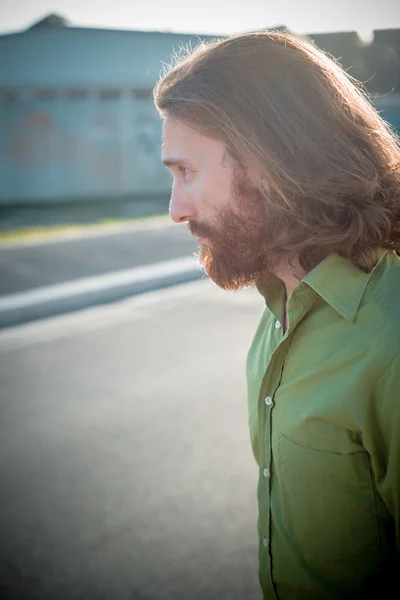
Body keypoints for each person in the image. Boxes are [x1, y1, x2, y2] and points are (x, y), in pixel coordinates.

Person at [153, 31, 400, 599]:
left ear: (270, 164)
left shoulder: (389, 345)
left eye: (186, 172)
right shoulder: (281, 306)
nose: (175, 209)